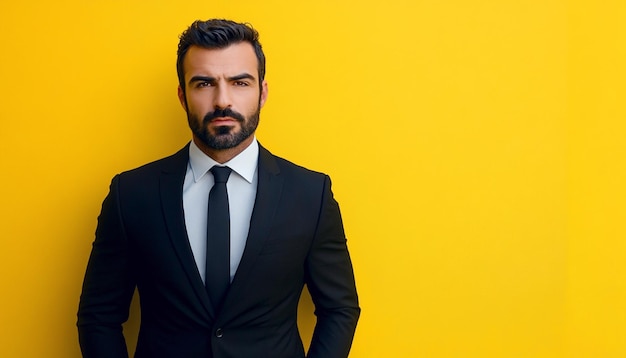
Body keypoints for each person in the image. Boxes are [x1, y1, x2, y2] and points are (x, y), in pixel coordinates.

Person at [77, 19, 360, 358]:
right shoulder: (131, 195)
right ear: (182, 95)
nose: (222, 100)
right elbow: (98, 317)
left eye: (240, 82)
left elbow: (340, 308)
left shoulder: (311, 195)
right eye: (204, 83)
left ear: (262, 92)